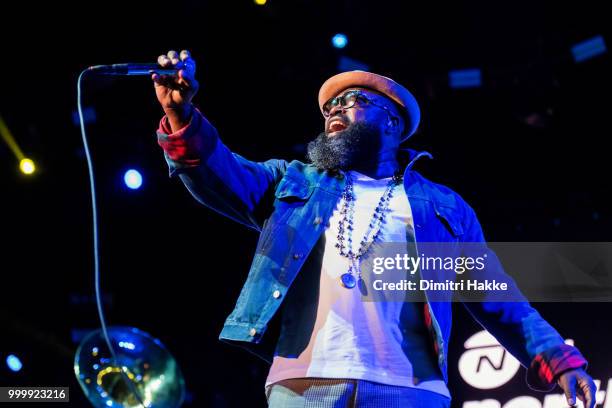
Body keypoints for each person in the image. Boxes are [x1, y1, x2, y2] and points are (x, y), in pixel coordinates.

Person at [152, 49, 596, 407]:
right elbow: (217, 171)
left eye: (353, 102)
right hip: (305, 385)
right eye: (330, 107)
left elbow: (497, 297)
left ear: (391, 121)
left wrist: (559, 361)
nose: (335, 111)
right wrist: (181, 116)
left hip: (408, 391)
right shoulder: (293, 183)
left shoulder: (441, 206)